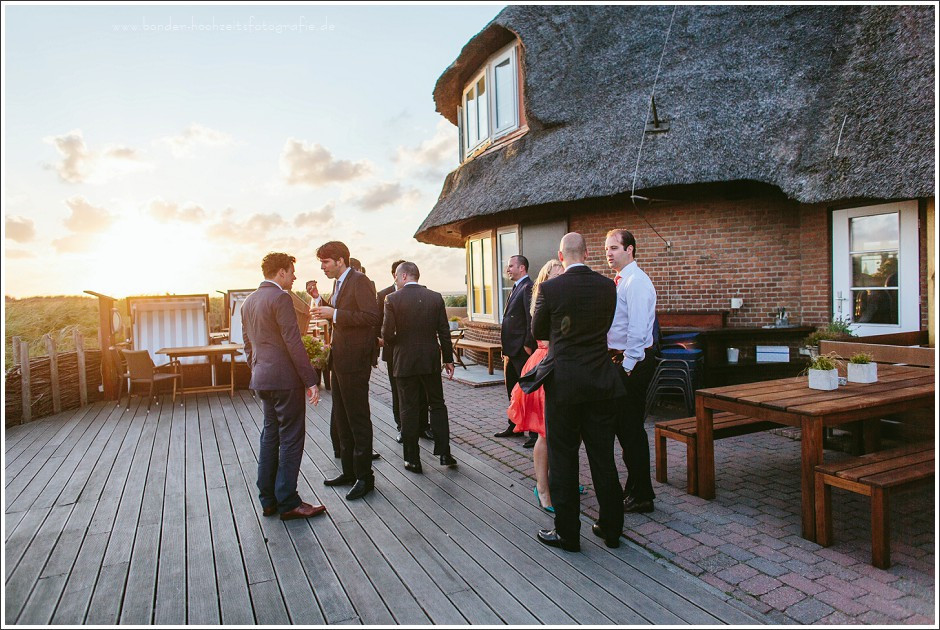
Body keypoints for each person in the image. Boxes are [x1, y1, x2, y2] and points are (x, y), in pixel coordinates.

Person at [521, 233, 626, 552]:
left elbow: (538, 331)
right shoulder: (608, 286)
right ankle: (611, 528)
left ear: (561, 255)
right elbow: (605, 325)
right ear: (588, 253)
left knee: (564, 458)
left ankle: (567, 533)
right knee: (603, 457)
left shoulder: (551, 288)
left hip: (564, 383)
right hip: (600, 381)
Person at [241, 252, 327, 521]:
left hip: (262, 378)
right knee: (291, 439)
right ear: (280, 272)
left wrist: (257, 370)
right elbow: (293, 342)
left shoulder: (248, 301)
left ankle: (268, 500)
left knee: (270, 436)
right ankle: (288, 501)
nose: (294, 276)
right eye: (291, 272)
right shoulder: (280, 298)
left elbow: (247, 345)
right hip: (285, 381)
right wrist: (310, 380)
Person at [309, 241, 381, 500]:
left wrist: (335, 313)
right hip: (339, 359)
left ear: (340, 260)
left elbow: (372, 317)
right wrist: (324, 305)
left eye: (325, 262)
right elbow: (342, 311)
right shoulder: (339, 282)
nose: (322, 267)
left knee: (358, 418)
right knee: (342, 417)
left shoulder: (360, 281)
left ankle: (365, 478)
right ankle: (349, 472)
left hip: (355, 361)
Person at [381, 262, 458, 473]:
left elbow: (387, 334)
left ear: (404, 276)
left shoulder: (392, 299)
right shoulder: (435, 297)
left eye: (397, 277)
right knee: (437, 404)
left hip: (404, 361)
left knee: (408, 408)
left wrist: (399, 341)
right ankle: (444, 453)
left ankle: (412, 459)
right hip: (430, 359)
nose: (395, 281)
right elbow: (444, 331)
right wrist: (448, 360)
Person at [605, 229, 658, 513]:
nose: (609, 254)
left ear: (630, 250)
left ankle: (642, 495)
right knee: (627, 430)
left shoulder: (636, 282)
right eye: (606, 249)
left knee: (630, 431)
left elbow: (638, 331)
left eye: (614, 247)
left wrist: (625, 367)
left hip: (632, 363)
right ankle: (636, 488)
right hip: (623, 361)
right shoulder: (622, 281)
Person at [507, 259, 564, 512]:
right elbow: (535, 335)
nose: (561, 277)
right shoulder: (542, 300)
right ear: (545, 278)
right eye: (556, 274)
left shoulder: (565, 297)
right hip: (546, 365)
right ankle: (542, 488)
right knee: (545, 431)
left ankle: (559, 479)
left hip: (564, 365)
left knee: (564, 431)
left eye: (563, 273)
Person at [377, 259, 431, 443]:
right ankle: (402, 426)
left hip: (417, 352)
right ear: (396, 275)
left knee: (422, 390)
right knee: (397, 392)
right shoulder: (383, 295)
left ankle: (424, 426)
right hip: (394, 352)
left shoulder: (422, 292)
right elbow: (379, 324)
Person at [495, 254, 537, 448]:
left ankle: (534, 433)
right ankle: (514, 424)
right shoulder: (515, 287)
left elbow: (531, 318)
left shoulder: (528, 287)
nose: (508, 269)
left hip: (521, 351)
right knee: (512, 391)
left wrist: (528, 344)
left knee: (527, 390)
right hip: (510, 351)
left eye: (511, 266)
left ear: (522, 268)